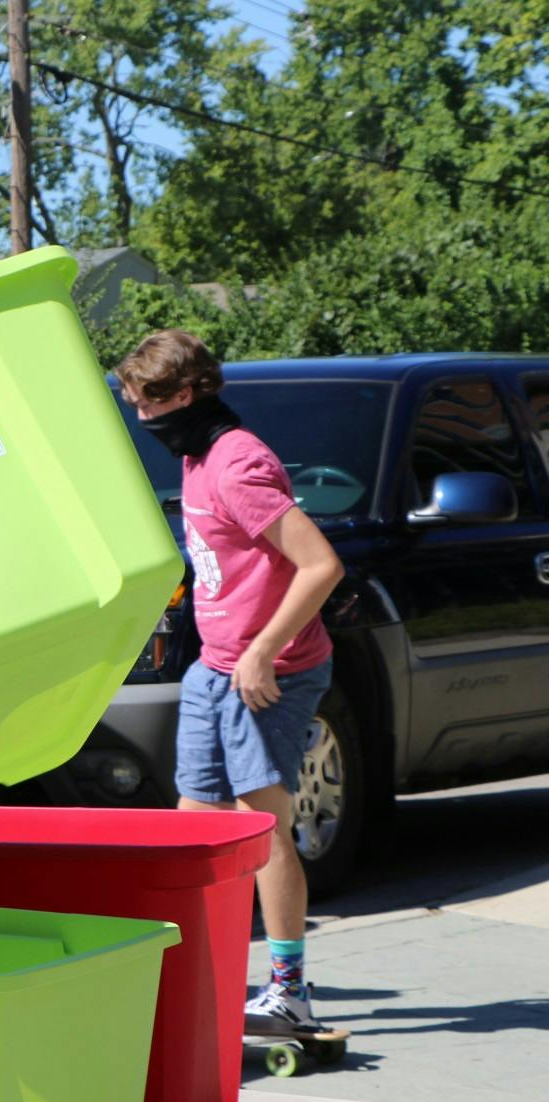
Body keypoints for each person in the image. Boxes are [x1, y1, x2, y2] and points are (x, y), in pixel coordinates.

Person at [116, 329, 343, 1031]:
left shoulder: (237, 464)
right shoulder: (196, 455)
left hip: (266, 672)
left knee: (260, 823)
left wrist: (263, 651)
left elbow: (321, 565)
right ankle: (200, 979)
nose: (142, 421)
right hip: (213, 667)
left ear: (185, 395)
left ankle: (290, 991)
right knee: (196, 827)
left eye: (146, 406)